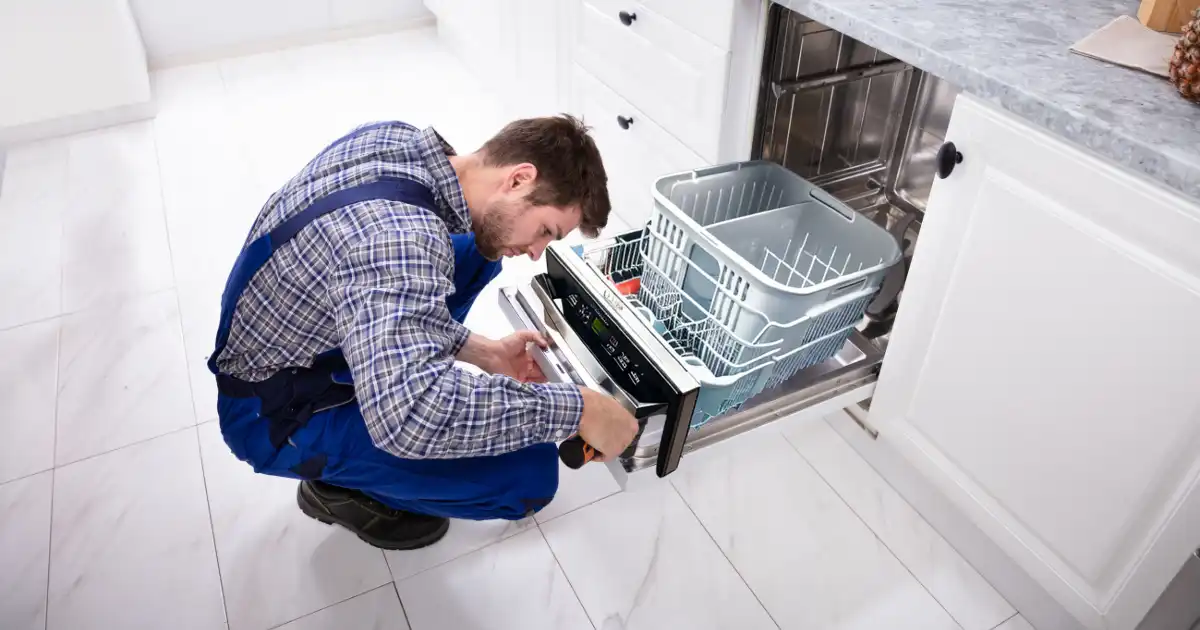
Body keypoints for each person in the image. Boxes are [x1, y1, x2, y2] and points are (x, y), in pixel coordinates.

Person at [208, 116, 639, 550]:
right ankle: (338, 489)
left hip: (306, 337)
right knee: (530, 478)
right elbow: (410, 419)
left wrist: (481, 351)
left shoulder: (397, 139)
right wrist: (578, 409)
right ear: (519, 179)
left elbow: (379, 283)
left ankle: (383, 393)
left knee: (478, 247)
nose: (534, 252)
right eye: (546, 231)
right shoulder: (401, 240)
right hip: (274, 412)